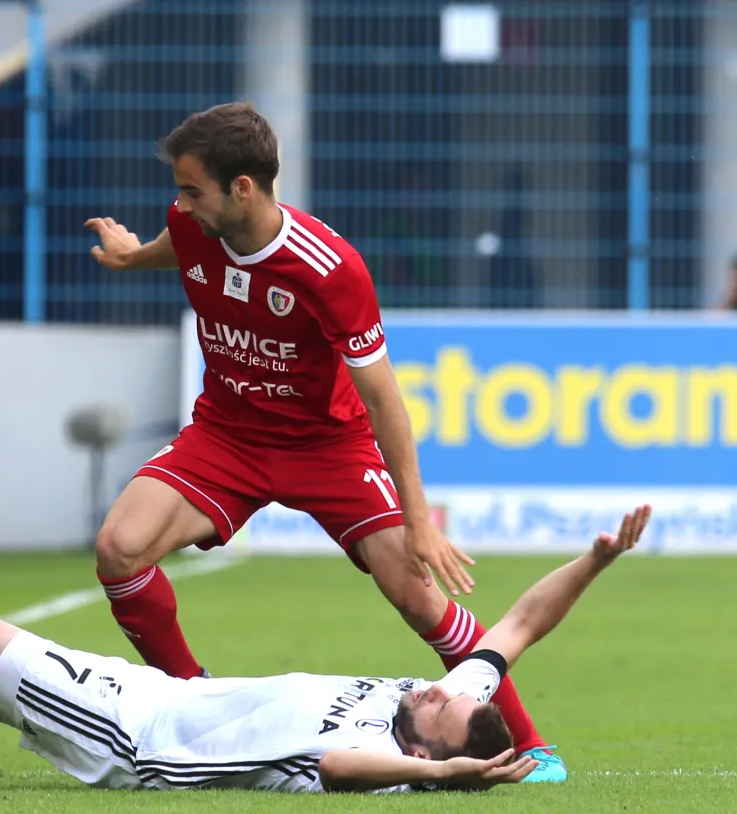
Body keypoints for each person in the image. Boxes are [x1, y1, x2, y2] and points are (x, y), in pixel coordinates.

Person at [81, 102, 562, 780]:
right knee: (118, 549)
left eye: (192, 189)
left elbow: (383, 397)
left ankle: (530, 746)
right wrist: (134, 258)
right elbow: (179, 247)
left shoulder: (331, 269)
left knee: (419, 595)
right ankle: (193, 700)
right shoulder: (189, 225)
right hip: (228, 433)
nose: (179, 204)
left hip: (328, 446)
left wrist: (419, 520)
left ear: (242, 188)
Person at [0, 506, 652, 793]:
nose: (442, 688)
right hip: (147, 696)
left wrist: (446, 783)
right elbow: (518, 629)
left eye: (445, 708)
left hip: (137, 740)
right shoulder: (423, 700)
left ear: (431, 753)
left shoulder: (388, 764)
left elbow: (332, 762)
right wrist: (598, 560)